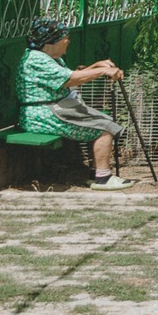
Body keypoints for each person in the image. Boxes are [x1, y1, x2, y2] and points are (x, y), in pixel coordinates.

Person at [19, 18, 134, 189]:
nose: (68, 42)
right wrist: (102, 70)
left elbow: (68, 77)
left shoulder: (48, 57)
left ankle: (95, 173)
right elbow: (70, 79)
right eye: (66, 38)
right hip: (44, 114)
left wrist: (96, 66)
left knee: (104, 120)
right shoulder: (37, 60)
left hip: (53, 109)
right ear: (54, 41)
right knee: (103, 128)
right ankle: (102, 179)